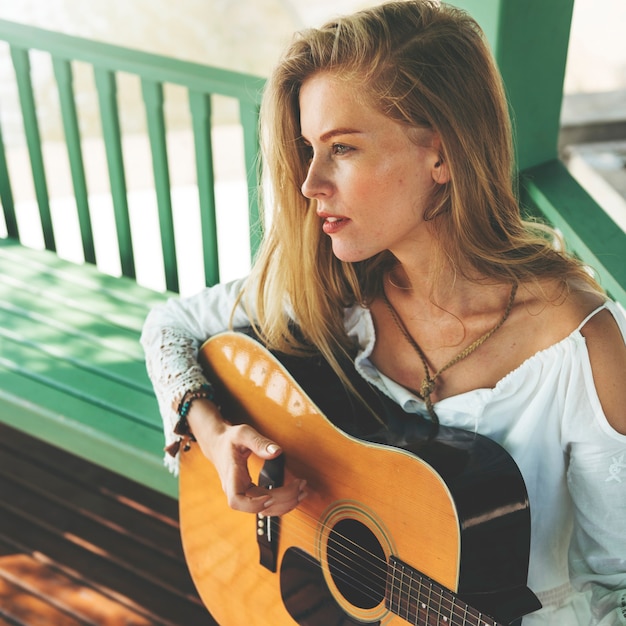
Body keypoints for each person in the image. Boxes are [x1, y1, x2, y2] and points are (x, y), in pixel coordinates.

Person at [141, 1, 626, 624]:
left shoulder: (582, 348)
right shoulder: (335, 294)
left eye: (341, 147)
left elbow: (618, 581)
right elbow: (171, 325)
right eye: (308, 148)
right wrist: (211, 433)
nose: (309, 182)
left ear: (442, 157)